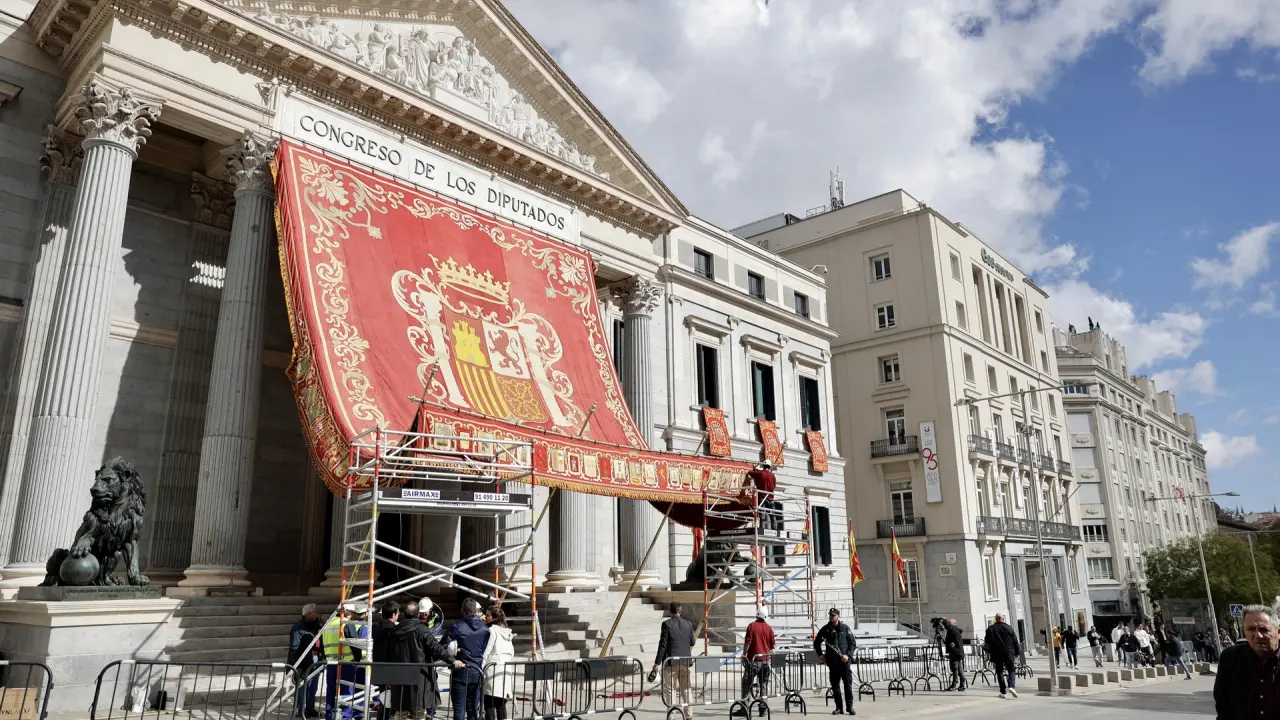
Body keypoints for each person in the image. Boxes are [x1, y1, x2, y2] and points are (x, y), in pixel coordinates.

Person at [388, 598, 454, 720]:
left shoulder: (395, 630)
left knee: (401, 712)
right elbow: (436, 648)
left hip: (400, 677)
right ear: (417, 613)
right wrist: (453, 660)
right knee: (418, 713)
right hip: (419, 677)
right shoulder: (421, 629)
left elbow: (389, 653)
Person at [1213, 604, 1280, 720]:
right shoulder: (1230, 658)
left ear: (1278, 632)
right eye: (1251, 629)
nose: (1258, 635)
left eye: (1264, 629)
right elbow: (1222, 702)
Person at [445, 599, 490, 720]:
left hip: (461, 668)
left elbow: (444, 644)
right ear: (476, 611)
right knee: (472, 707)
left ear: (463, 611)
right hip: (477, 669)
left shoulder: (457, 625)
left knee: (459, 708)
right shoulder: (485, 628)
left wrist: (452, 658)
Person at [653, 603, 696, 717]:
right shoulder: (688, 624)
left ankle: (672, 716)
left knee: (671, 691)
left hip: (671, 662)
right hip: (685, 661)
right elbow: (692, 642)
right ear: (680, 611)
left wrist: (657, 663)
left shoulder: (666, 624)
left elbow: (663, 645)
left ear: (670, 611)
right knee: (686, 689)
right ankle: (689, 715)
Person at [814, 608, 857, 713]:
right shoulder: (825, 629)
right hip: (832, 662)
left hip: (844, 662)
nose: (831, 617)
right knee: (835, 686)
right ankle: (839, 708)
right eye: (830, 615)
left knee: (847, 685)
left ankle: (849, 707)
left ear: (838, 616)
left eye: (833, 615)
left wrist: (848, 655)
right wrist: (820, 654)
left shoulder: (845, 628)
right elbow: (816, 642)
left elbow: (852, 644)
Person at [481, 606, 515, 720]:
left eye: (488, 615)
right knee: (501, 705)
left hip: (492, 671)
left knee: (489, 705)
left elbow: (486, 652)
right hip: (505, 672)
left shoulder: (492, 631)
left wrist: (481, 670)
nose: (485, 617)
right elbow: (511, 652)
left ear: (494, 618)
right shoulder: (507, 632)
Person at [290, 603, 324, 718]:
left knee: (313, 686)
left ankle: (310, 709)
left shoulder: (317, 625)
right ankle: (300, 709)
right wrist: (297, 666)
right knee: (302, 687)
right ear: (308, 614)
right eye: (314, 613)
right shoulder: (297, 628)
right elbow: (294, 648)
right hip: (304, 660)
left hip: (316, 658)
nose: (316, 614)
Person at [739, 605, 775, 708]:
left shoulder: (752, 626)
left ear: (757, 614)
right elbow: (772, 644)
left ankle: (745, 707)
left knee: (746, 683)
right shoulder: (769, 628)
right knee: (763, 684)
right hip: (765, 660)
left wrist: (744, 654)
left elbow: (748, 642)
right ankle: (763, 708)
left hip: (753, 661)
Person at [982, 613, 1020, 699]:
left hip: (996, 652)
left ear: (996, 619)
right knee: (1011, 669)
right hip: (1008, 652)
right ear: (1003, 619)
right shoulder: (1009, 628)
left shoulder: (990, 629)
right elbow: (1015, 641)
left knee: (999, 671)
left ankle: (1003, 691)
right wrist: (1017, 653)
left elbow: (987, 642)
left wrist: (988, 651)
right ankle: (1011, 686)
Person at [942, 619, 966, 692]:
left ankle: (954, 685)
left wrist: (943, 620)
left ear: (954, 623)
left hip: (955, 652)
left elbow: (948, 627)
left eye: (950, 623)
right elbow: (948, 641)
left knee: (955, 668)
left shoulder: (952, 630)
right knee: (959, 668)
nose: (948, 624)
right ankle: (962, 684)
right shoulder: (955, 630)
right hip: (958, 652)